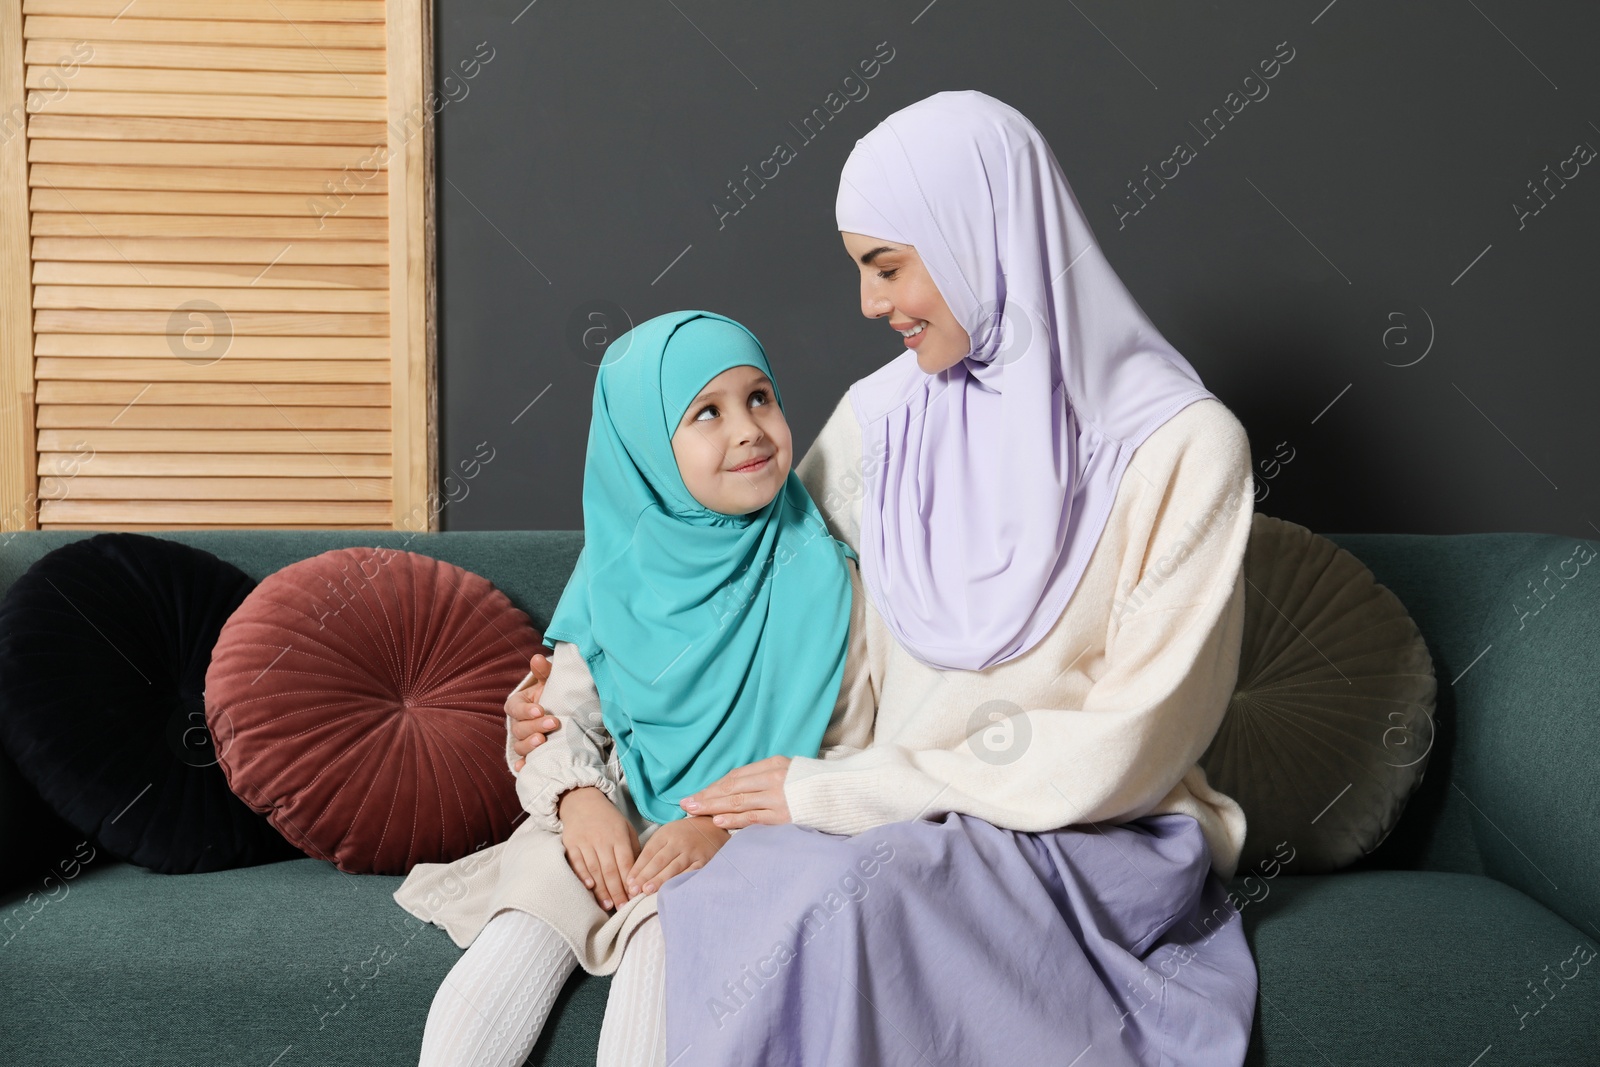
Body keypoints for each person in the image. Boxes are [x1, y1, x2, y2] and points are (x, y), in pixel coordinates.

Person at [512, 89, 1259, 1065]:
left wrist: (841, 794)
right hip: (871, 812)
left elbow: (1131, 741)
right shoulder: (881, 417)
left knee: (844, 897)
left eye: (887, 265)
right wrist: (574, 689)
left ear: (978, 234)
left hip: (1083, 826)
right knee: (719, 892)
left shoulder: (1185, 449)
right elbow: (752, 574)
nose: (869, 304)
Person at [393, 310, 874, 1067]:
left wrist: (720, 826)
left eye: (760, 398)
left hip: (753, 828)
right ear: (647, 447)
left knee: (669, 938)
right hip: (615, 799)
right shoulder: (619, 566)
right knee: (528, 916)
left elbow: (850, 742)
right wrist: (578, 801)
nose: (749, 429)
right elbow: (560, 719)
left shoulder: (822, 571)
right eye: (706, 413)